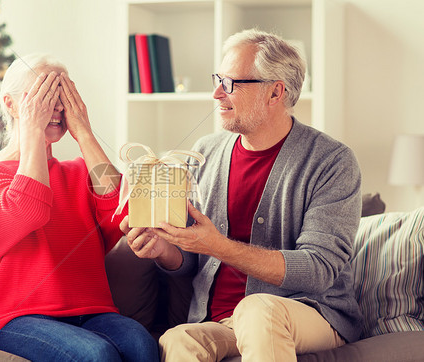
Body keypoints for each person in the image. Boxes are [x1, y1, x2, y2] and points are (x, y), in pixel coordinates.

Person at [120, 29, 363, 362]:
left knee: (257, 309)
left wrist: (217, 245)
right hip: (221, 320)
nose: (217, 94)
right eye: (218, 79)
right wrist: (165, 249)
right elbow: (195, 257)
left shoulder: (331, 161)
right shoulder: (205, 152)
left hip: (310, 313)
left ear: (275, 92)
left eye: (231, 83)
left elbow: (319, 269)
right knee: (178, 340)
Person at [0, 54, 159, 362]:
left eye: (63, 96)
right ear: (11, 105)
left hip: (92, 313)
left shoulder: (79, 171)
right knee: (97, 355)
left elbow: (124, 208)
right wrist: (34, 133)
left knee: (141, 345)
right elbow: (29, 209)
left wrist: (85, 133)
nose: (56, 106)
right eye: (43, 94)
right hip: (13, 320)